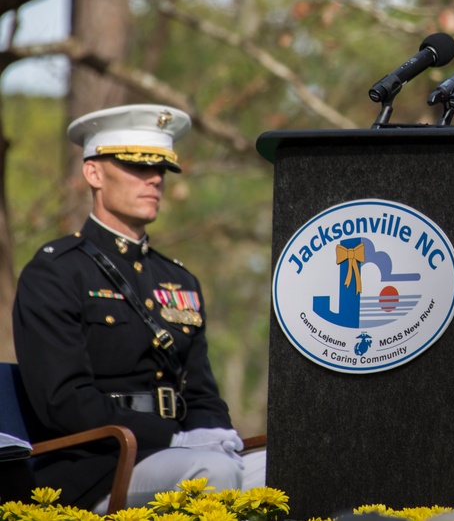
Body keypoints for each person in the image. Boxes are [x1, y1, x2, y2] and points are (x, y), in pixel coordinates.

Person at [12, 104, 265, 511]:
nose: (154, 180)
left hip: (177, 454)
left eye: (161, 170)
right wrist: (173, 440)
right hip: (97, 465)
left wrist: (214, 432)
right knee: (210, 474)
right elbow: (65, 402)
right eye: (136, 167)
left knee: (278, 469)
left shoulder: (179, 280)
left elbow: (200, 391)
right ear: (93, 173)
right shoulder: (56, 272)